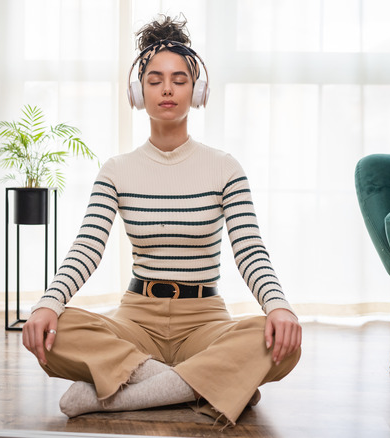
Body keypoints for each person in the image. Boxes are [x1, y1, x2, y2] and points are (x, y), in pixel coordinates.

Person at [22, 15, 301, 426]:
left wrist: (279, 307)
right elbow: (87, 248)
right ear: (138, 92)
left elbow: (250, 251)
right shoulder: (117, 170)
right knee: (53, 329)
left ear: (197, 90)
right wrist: (48, 303)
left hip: (205, 318)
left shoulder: (225, 168)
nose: (167, 89)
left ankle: (118, 394)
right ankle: (210, 385)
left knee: (283, 341)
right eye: (154, 80)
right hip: (136, 318)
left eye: (178, 79)